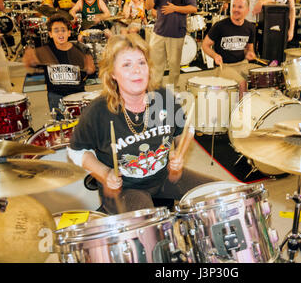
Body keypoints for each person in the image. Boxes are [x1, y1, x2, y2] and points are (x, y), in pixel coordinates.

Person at [67, 34, 218, 214]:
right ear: (113, 74)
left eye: (141, 62)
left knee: (221, 194)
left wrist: (179, 154)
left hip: (163, 177)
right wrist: (104, 173)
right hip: (125, 189)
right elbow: (76, 151)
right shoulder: (98, 111)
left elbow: (185, 131)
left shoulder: (164, 97)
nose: (137, 70)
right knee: (149, 228)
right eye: (126, 65)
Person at [23, 14, 95, 119]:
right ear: (50, 34)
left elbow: (91, 70)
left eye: (63, 30)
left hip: (77, 94)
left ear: (69, 33)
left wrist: (90, 68)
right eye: (56, 31)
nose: (60, 33)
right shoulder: (44, 51)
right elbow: (29, 65)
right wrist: (29, 60)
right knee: (61, 126)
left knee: (82, 124)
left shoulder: (80, 50)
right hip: (56, 96)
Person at [145, 0, 197, 87]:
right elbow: (148, 6)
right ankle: (156, 93)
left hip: (176, 33)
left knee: (174, 68)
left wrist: (175, 8)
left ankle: (172, 93)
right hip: (158, 33)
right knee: (156, 67)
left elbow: (193, 8)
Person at [202, 0, 256, 97]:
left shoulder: (250, 28)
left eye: (240, 7)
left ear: (247, 10)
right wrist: (215, 56)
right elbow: (205, 45)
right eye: (234, 6)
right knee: (242, 83)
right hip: (224, 66)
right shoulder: (220, 26)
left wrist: (250, 54)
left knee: (263, 78)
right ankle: (242, 112)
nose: (235, 9)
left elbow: (250, 50)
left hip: (243, 64)